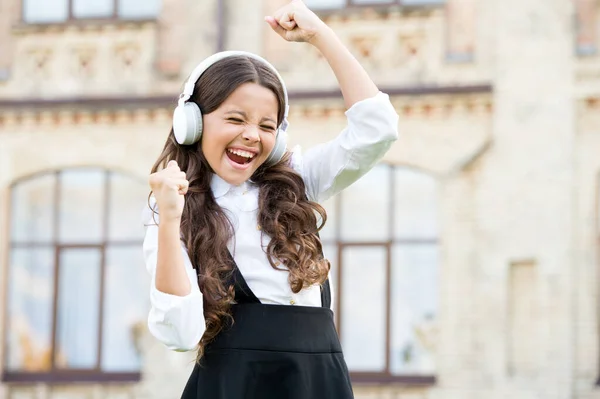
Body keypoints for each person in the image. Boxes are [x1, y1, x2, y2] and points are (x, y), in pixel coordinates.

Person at [142, 1, 399, 398]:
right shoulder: (173, 208)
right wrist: (170, 221)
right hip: (236, 386)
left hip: (320, 381)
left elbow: (376, 131)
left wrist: (320, 37)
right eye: (235, 119)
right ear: (191, 122)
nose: (251, 135)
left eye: (266, 126)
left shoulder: (297, 181)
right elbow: (179, 333)